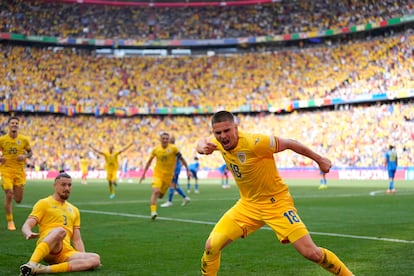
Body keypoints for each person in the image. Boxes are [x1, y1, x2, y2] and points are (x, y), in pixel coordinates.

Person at [196, 111, 353, 276]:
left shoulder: (255, 143)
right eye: (218, 133)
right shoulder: (218, 142)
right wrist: (200, 147)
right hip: (247, 205)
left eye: (227, 131)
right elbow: (202, 143)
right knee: (211, 246)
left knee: (311, 253)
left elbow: (290, 143)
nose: (222, 136)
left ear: (236, 128)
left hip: (276, 204)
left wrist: (320, 160)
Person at [19, 171, 101, 275]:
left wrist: (83, 258)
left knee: (95, 259)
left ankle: (42, 270)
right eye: (63, 185)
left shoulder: (74, 210)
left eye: (69, 185)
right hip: (50, 247)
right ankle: (31, 264)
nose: (67, 188)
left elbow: (77, 239)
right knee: (60, 231)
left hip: (66, 252)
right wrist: (27, 232)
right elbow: (27, 224)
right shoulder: (44, 203)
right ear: (55, 185)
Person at [139, 132, 189, 220]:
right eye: (163, 138)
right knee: (156, 191)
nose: (165, 140)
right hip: (158, 174)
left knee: (161, 195)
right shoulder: (156, 150)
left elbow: (182, 159)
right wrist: (144, 174)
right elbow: (149, 161)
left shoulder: (174, 149)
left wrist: (187, 170)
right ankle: (153, 212)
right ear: (160, 139)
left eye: (167, 138)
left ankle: (157, 201)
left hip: (168, 176)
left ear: (169, 140)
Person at [0, 116, 33, 231]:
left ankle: (12, 190)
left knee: (18, 199)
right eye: (12, 123)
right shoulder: (2, 140)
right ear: (8, 125)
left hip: (19, 172)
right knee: (9, 193)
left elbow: (30, 153)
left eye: (16, 123)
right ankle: (10, 221)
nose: (14, 125)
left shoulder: (24, 140)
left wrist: (25, 156)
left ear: (18, 126)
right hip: (6, 171)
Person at [160, 135, 191, 207]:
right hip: (176, 169)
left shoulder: (172, 149)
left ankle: (170, 201)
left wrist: (173, 171)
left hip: (174, 170)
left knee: (172, 184)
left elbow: (175, 161)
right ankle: (185, 198)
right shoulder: (173, 149)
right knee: (175, 185)